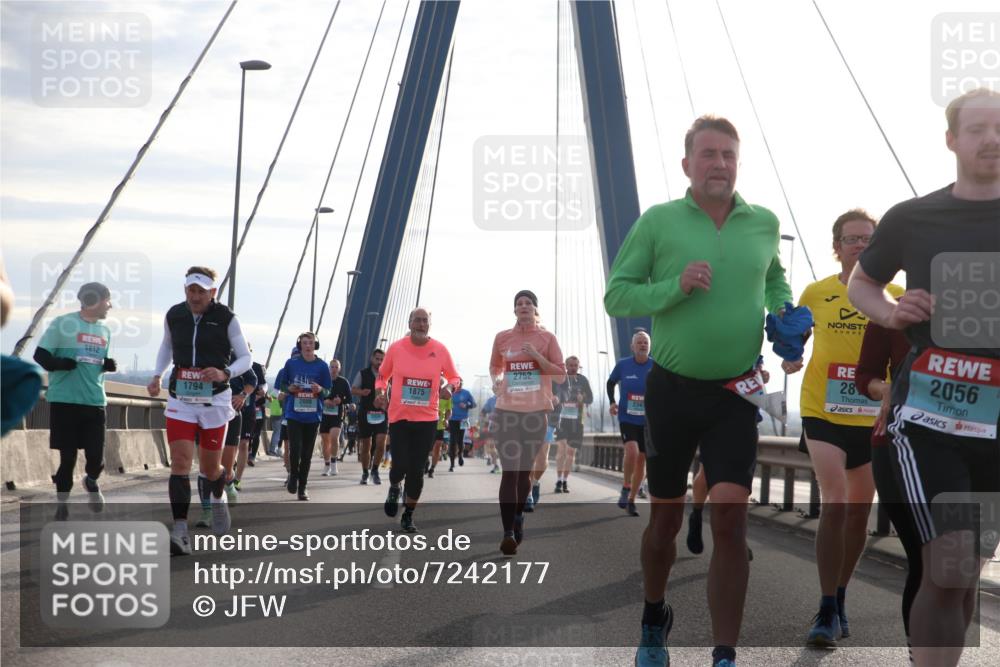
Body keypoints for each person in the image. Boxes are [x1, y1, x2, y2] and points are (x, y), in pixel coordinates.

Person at [605, 115, 793, 667]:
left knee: (732, 518)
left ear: (738, 162)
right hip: (672, 394)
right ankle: (653, 616)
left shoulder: (763, 223)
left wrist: (784, 315)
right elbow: (617, 295)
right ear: (687, 165)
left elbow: (774, 278)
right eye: (708, 154)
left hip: (736, 394)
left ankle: (724, 654)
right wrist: (676, 286)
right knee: (664, 521)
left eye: (728, 154)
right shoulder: (659, 221)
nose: (719, 163)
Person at [847, 88, 1000, 667]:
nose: (992, 139)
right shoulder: (913, 217)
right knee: (949, 557)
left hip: (996, 426)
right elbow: (862, 281)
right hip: (927, 420)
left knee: (963, 577)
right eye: (978, 128)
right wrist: (888, 311)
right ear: (952, 140)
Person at [784, 209, 904, 647]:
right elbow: (792, 341)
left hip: (872, 417)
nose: (858, 245)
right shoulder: (815, 293)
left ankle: (841, 593)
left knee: (858, 512)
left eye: (866, 239)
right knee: (835, 501)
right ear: (836, 247)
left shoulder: (896, 295)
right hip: (821, 411)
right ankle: (825, 607)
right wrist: (790, 357)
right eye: (850, 239)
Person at [148, 267, 252, 554]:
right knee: (180, 463)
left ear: (212, 292)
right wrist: (157, 374)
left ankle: (217, 498)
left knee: (210, 468)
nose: (195, 296)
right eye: (190, 290)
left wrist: (224, 372)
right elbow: (167, 347)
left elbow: (246, 357)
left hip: (215, 402)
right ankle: (180, 531)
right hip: (181, 399)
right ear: (185, 290)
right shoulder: (175, 315)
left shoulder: (226, 319)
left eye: (201, 291)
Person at [855, 320, 923, 656]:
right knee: (926, 560)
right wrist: (885, 390)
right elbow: (864, 375)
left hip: (973, 453)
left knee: (958, 569)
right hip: (896, 445)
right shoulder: (893, 316)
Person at [489, 290, 566, 555]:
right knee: (510, 470)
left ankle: (519, 514)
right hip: (506, 412)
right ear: (514, 310)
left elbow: (560, 376)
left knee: (524, 472)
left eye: (528, 303)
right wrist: (496, 381)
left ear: (535, 310)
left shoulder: (547, 338)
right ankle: (508, 531)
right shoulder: (502, 338)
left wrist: (537, 356)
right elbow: (495, 367)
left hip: (535, 415)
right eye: (519, 303)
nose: (523, 306)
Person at [33, 282, 116, 515]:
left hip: (94, 401)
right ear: (94, 301)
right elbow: (40, 355)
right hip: (65, 401)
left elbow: (98, 362)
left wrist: (108, 365)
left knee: (96, 459)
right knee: (67, 458)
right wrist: (59, 364)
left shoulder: (105, 331)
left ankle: (91, 480)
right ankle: (62, 505)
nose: (110, 305)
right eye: (107, 300)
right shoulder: (63, 324)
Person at [375, 308, 460, 532]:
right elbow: (383, 376)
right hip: (400, 416)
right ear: (410, 323)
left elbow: (454, 376)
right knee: (400, 464)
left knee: (417, 468)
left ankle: (409, 514)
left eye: (425, 321)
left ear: (429, 325)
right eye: (417, 320)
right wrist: (380, 392)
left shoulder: (440, 350)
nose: (421, 324)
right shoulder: (396, 348)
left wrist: (450, 387)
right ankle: (394, 486)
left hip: (427, 418)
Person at [279, 332, 332, 500]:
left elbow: (329, 390)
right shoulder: (291, 363)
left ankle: (303, 487)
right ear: (300, 345)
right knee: (295, 448)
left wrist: (321, 390)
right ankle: (293, 475)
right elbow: (281, 383)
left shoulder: (322, 366)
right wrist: (289, 389)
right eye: (304, 342)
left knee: (307, 454)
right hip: (294, 414)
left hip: (313, 416)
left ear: (315, 345)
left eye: (311, 342)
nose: (308, 345)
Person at [608, 330, 653, 517]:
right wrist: (612, 402)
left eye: (645, 342)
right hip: (627, 417)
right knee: (632, 451)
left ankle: (632, 500)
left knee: (642, 460)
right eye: (639, 342)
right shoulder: (623, 365)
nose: (642, 345)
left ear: (650, 347)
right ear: (632, 346)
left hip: (648, 420)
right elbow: (611, 383)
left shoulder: (656, 366)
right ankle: (626, 486)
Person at [553, 356, 593, 493]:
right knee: (562, 449)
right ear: (565, 365)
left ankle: (565, 480)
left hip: (577, 422)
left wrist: (584, 398)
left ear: (578, 366)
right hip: (561, 420)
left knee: (571, 452)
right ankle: (558, 480)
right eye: (570, 365)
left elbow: (591, 398)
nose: (573, 367)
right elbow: (551, 395)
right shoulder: (559, 380)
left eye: (575, 365)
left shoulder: (583, 380)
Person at [353, 349, 387, 485]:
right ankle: (365, 472)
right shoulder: (362, 374)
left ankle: (375, 470)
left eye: (381, 360)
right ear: (371, 359)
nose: (379, 362)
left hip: (382, 413)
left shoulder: (387, 375)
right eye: (377, 359)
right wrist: (362, 392)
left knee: (381, 444)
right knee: (366, 445)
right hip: (366, 413)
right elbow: (353, 389)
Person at [320, 358, 352, 476]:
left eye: (336, 367)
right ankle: (326, 464)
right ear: (329, 368)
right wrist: (325, 401)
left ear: (339, 369)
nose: (333, 369)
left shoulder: (343, 382)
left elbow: (349, 398)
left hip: (337, 414)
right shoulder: (323, 381)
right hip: (324, 414)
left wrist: (341, 400)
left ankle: (334, 464)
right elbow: (317, 395)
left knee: (334, 437)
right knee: (325, 440)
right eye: (332, 367)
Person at [447, 379, 476, 470]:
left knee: (460, 440)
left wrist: (466, 405)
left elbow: (474, 404)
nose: (459, 385)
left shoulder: (466, 393)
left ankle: (460, 455)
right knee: (452, 441)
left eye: (460, 383)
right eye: (457, 383)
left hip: (463, 419)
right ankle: (452, 464)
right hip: (452, 419)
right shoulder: (450, 393)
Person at [428, 378, 451, 478]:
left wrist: (446, 419)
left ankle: (432, 468)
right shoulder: (428, 392)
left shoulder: (447, 395)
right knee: (427, 448)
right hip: (428, 424)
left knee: (437, 446)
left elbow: (449, 410)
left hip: (440, 425)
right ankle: (425, 463)